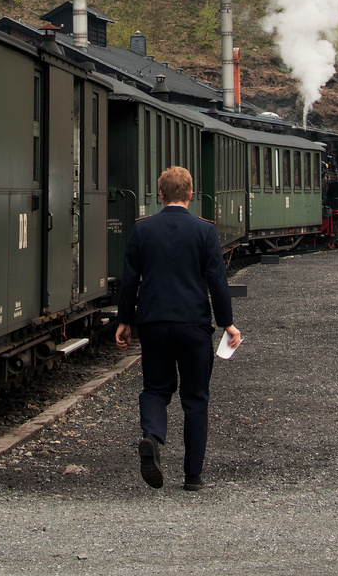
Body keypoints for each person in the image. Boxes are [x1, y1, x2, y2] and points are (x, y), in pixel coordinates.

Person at [114, 166, 241, 492]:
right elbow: (217, 280)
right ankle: (193, 476)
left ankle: (153, 437)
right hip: (194, 325)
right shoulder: (204, 231)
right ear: (190, 194)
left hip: (153, 322)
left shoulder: (143, 230)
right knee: (195, 398)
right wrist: (227, 323)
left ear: (160, 195)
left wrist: (124, 320)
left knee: (156, 388)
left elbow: (130, 280)